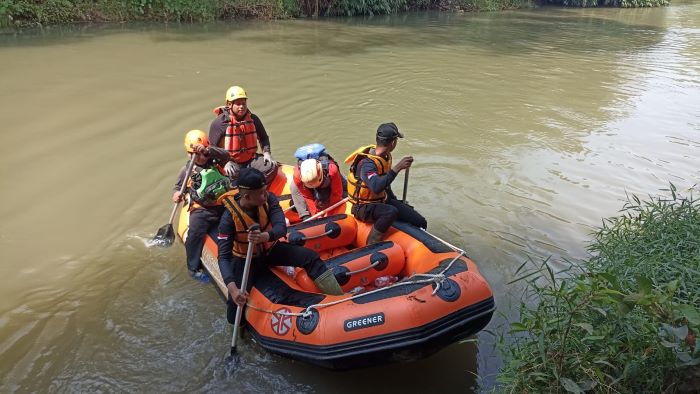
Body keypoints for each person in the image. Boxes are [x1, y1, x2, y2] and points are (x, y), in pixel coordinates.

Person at [216, 167, 343, 323]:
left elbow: (280, 227)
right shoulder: (228, 218)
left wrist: (265, 236)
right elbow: (223, 257)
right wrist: (233, 289)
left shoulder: (269, 199)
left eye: (265, 190)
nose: (265, 194)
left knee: (310, 257)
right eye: (261, 193)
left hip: (270, 250)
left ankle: (340, 298)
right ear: (247, 196)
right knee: (234, 311)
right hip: (245, 260)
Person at [345, 122, 427, 245]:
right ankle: (371, 243)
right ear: (393, 143)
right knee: (390, 211)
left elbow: (385, 186)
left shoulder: (384, 157)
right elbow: (376, 187)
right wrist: (397, 168)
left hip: (380, 200)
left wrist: (397, 202)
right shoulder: (367, 164)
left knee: (420, 221)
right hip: (362, 207)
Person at [173, 130, 232, 282]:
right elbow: (177, 188)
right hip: (202, 210)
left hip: (222, 203)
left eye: (203, 154)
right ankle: (193, 268)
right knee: (194, 235)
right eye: (195, 154)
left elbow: (226, 155)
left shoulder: (215, 160)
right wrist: (177, 196)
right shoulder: (187, 170)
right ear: (189, 154)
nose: (200, 158)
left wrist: (207, 151)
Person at [209, 85, 278, 184]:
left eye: (244, 103)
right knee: (232, 174)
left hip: (250, 160)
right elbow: (212, 149)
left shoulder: (253, 119)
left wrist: (267, 153)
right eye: (238, 104)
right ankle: (242, 191)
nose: (242, 106)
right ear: (229, 104)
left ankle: (259, 189)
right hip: (232, 162)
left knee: (271, 167)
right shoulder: (219, 123)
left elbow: (263, 138)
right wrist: (225, 163)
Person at [290, 143, 347, 221]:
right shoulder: (297, 176)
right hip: (309, 182)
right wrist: (315, 214)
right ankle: (305, 216)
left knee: (346, 188)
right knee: (293, 187)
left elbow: (336, 193)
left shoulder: (332, 170)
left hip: (328, 178)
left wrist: (330, 213)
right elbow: (307, 197)